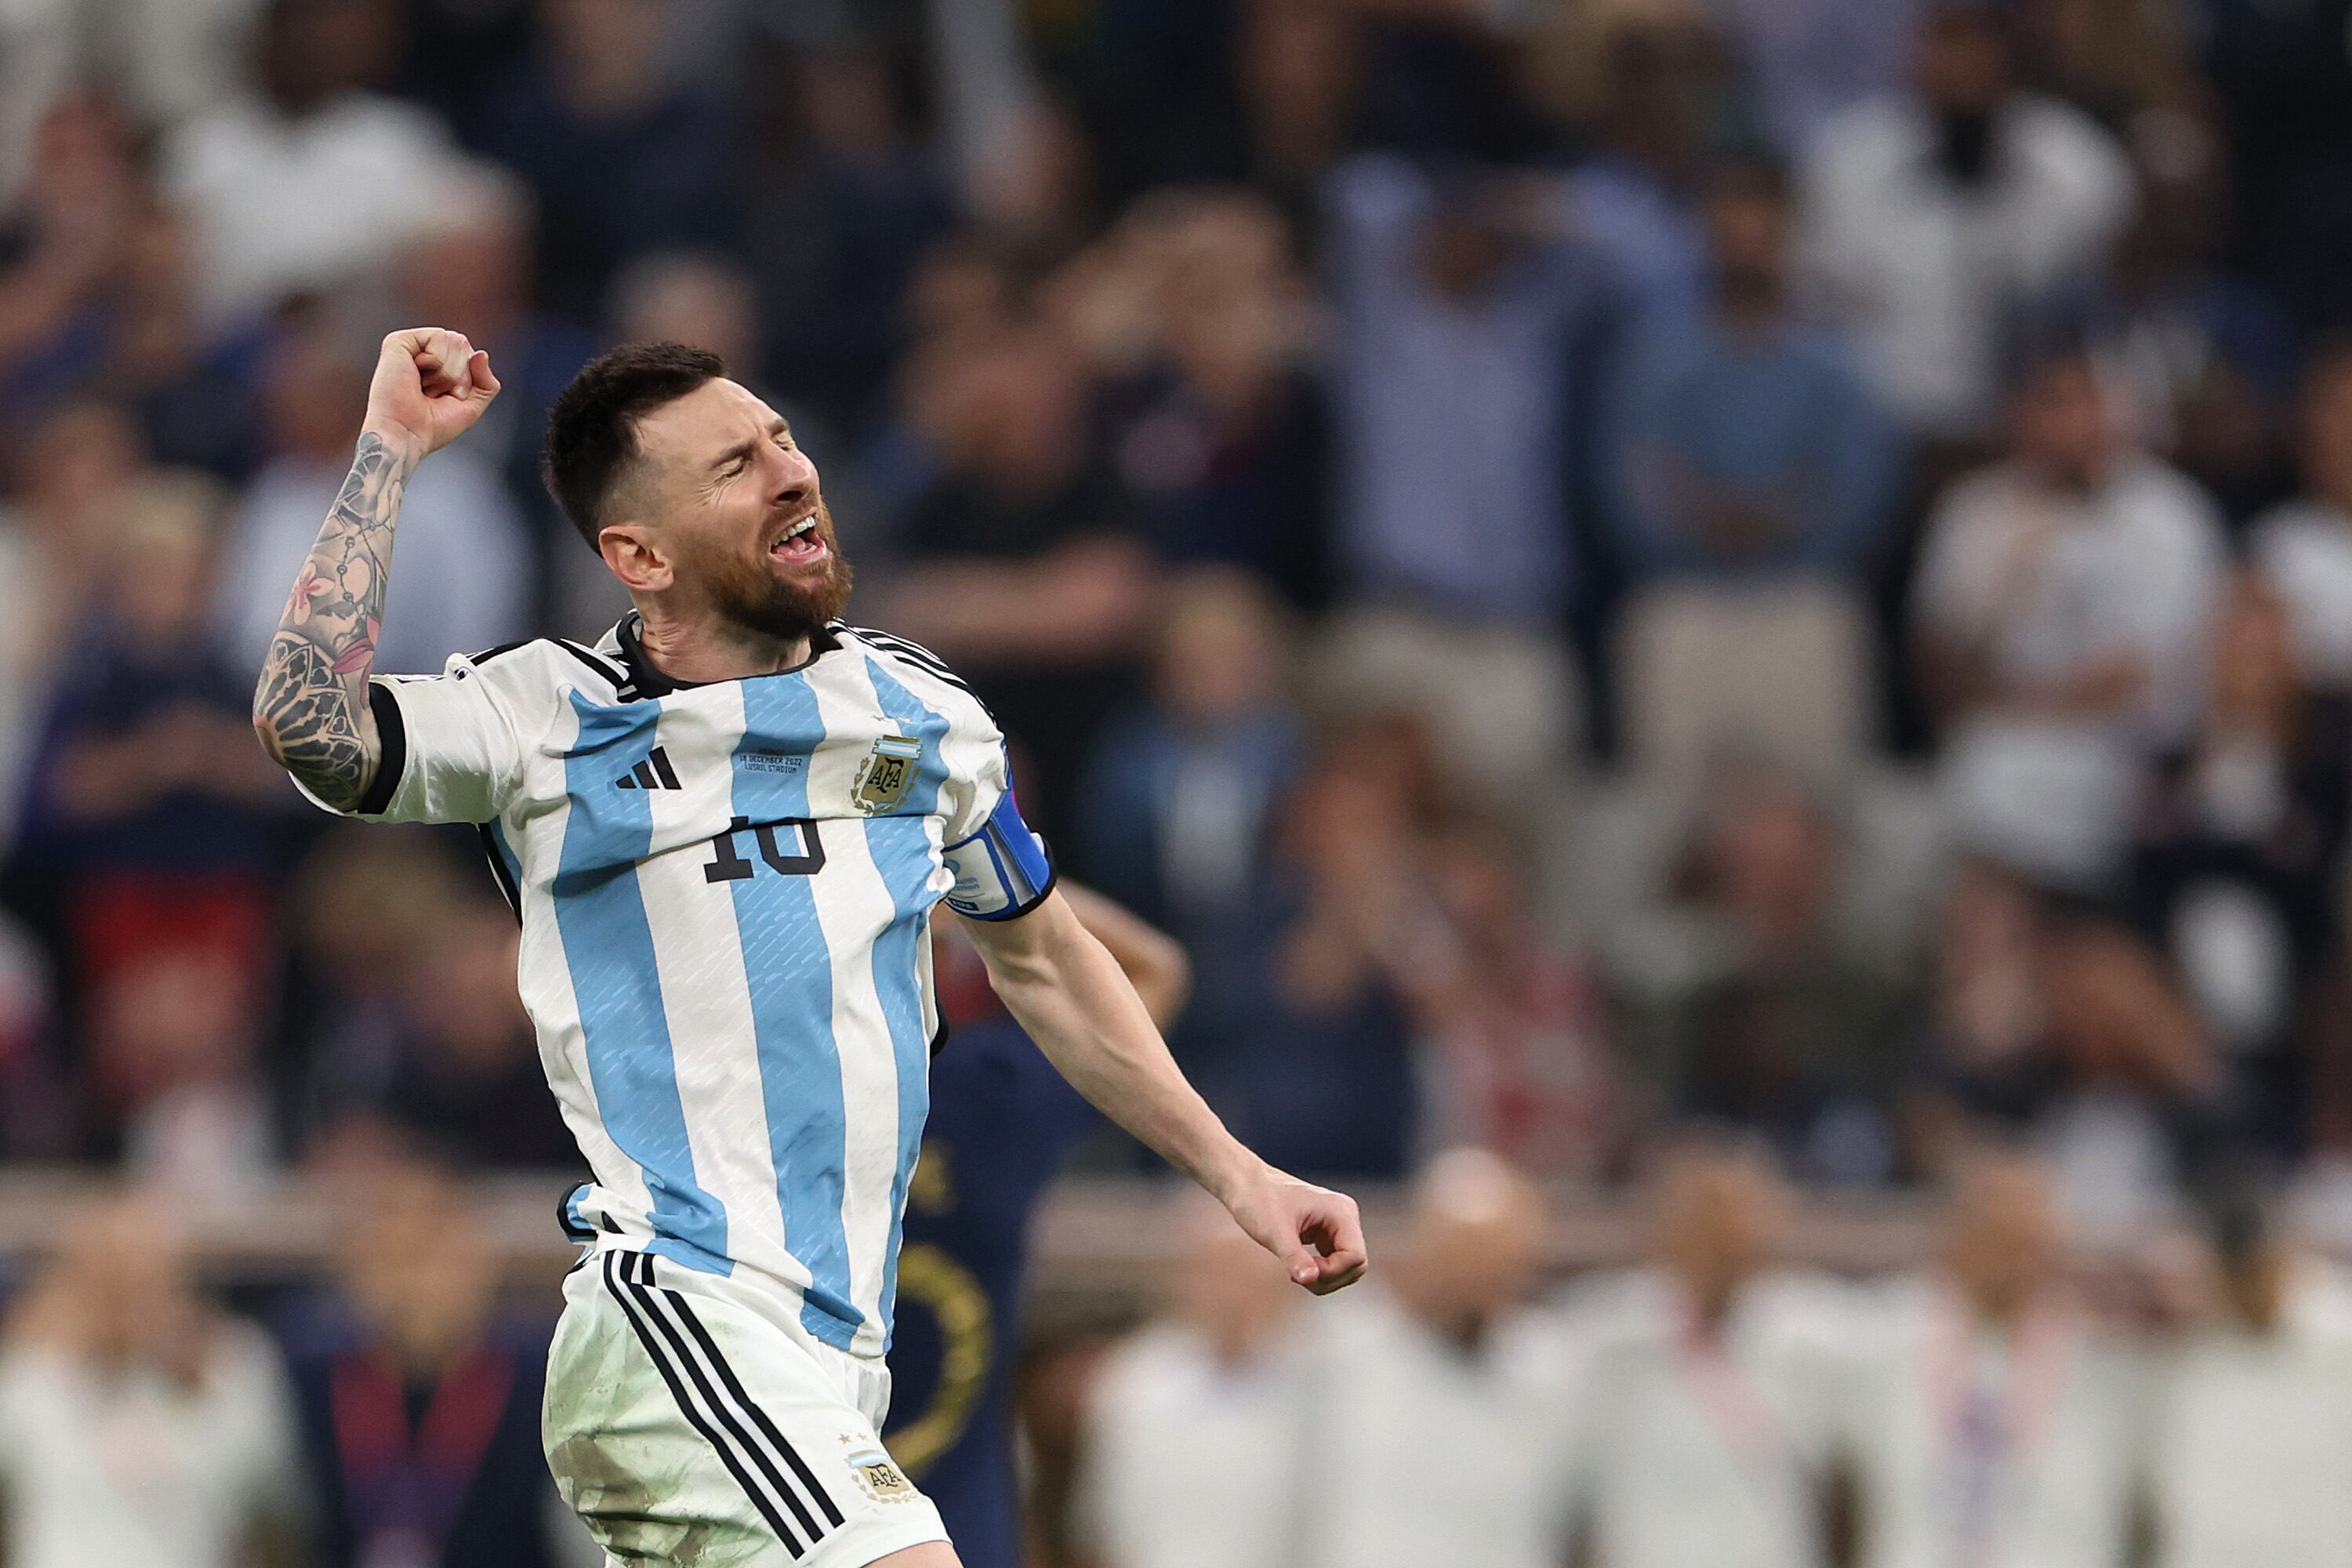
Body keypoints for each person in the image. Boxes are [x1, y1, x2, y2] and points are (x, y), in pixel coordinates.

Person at [247, 325, 1370, 1568]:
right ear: (637, 554)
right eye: (733, 466)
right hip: (679, 1316)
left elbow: (1041, 956)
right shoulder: (547, 715)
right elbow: (312, 728)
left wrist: (1243, 1176)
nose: (790, 471)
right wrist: (390, 450)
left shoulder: (920, 714)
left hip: (842, 1365)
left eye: (781, 438)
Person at [886, 884, 1191, 1568]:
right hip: (950, 1520)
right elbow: (1153, 968)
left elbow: (1156, 973)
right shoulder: (992, 1093)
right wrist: (974, 872)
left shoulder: (986, 1091)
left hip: (821, 1519)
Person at [280, 1163, 592, 1568]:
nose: (416, 1285)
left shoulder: (546, 1381)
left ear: (480, 1260)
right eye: (393, 1258)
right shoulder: (308, 1380)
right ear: (353, 1269)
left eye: (430, 1255)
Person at [1844, 1152, 2143, 1568]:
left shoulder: (2101, 1358)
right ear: (1958, 1237)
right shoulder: (1885, 1335)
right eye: (2002, 1239)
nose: (2017, 1262)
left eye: (2033, 1243)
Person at [1562, 1143, 1853, 1568]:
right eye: (1701, 1224)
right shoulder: (1602, 1338)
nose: (1721, 1241)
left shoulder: (1820, 1340)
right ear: (1663, 1232)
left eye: (1736, 1224)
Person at [1286, 1149, 1575, 1568]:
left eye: (1498, 1254)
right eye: (1464, 1252)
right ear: (1424, 1248)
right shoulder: (1335, 1350)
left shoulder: (1552, 1368)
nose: (1479, 1273)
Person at [0, 1190, 307, 1568]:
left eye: (151, 1272)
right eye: (114, 1272)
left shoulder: (232, 1359)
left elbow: (268, 1492)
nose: (133, 1293)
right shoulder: (38, 1366)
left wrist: (192, 1383)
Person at [1071, 1192, 1306, 1568]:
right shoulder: (1135, 1378)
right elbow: (1105, 1520)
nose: (1225, 1290)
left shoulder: (1319, 1386)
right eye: (1209, 1270)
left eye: (1239, 1271)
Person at [2148, 1193, 2352, 1568]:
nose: (2256, 1287)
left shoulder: (2340, 1339)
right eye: (2241, 1273)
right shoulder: (2189, 1352)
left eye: (2264, 1267)